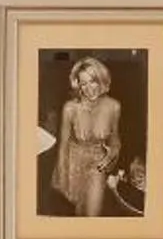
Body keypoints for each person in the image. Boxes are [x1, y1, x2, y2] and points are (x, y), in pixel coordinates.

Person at [48, 55, 122, 219]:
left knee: (92, 215)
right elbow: (63, 146)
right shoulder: (70, 109)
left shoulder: (114, 107)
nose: (90, 88)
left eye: (93, 81)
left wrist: (114, 151)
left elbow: (115, 139)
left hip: (97, 164)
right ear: (78, 86)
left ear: (101, 80)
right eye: (83, 84)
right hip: (72, 163)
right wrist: (63, 176)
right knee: (77, 213)